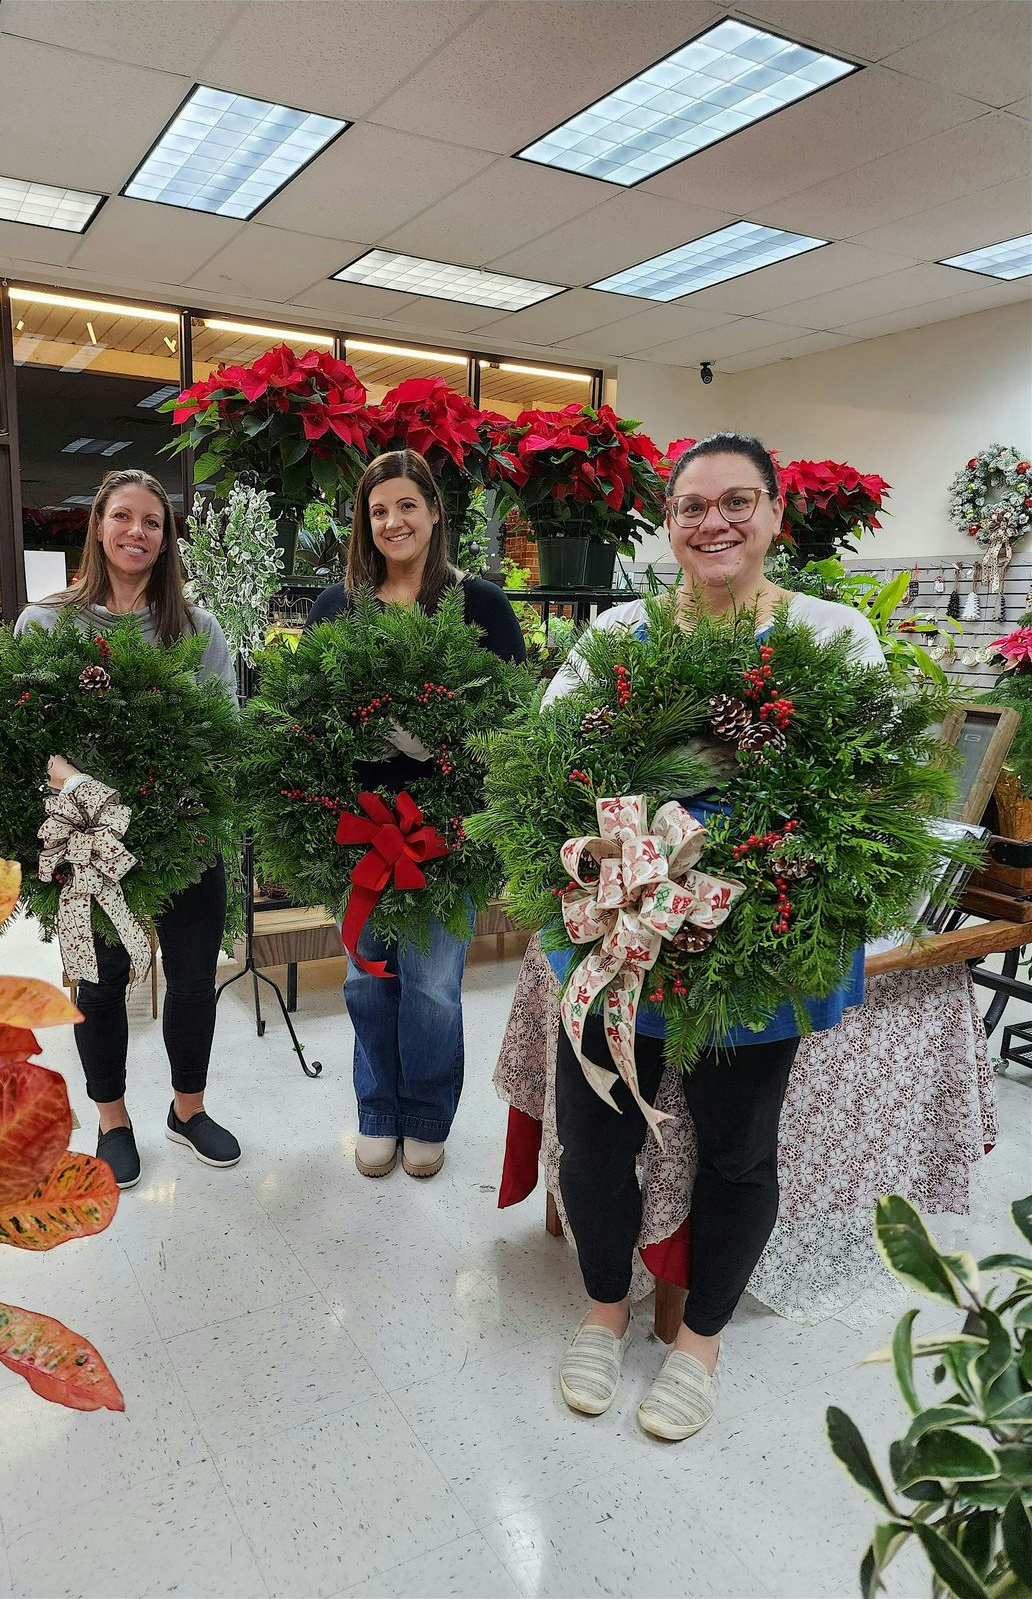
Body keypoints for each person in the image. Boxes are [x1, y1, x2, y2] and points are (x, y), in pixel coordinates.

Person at [542, 432, 886, 1440]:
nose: (715, 521)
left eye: (739, 501)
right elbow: (548, 766)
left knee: (737, 1153)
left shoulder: (832, 636)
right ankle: (604, 1309)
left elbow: (865, 796)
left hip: (759, 957)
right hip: (620, 943)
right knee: (598, 1142)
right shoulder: (615, 634)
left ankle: (700, 1338)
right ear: (669, 523)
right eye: (693, 505)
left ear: (778, 515)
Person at [14, 468, 240, 1191]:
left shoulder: (196, 629)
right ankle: (113, 1119)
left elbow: (221, 733)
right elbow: (20, 733)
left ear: (168, 537)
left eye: (152, 521)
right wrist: (81, 785)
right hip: (88, 833)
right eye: (123, 517)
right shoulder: (46, 622)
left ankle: (188, 1108)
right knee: (102, 981)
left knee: (194, 974)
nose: (136, 532)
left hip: (186, 830)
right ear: (98, 525)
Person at [307, 448, 526, 1180]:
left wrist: (448, 747)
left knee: (432, 981)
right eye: (378, 511)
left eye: (407, 505)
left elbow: (510, 721)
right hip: (362, 829)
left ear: (435, 513)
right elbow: (307, 717)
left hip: (446, 834)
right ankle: (378, 1112)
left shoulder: (480, 604)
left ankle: (427, 1116)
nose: (393, 521)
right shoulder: (337, 607)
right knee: (368, 977)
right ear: (362, 526)